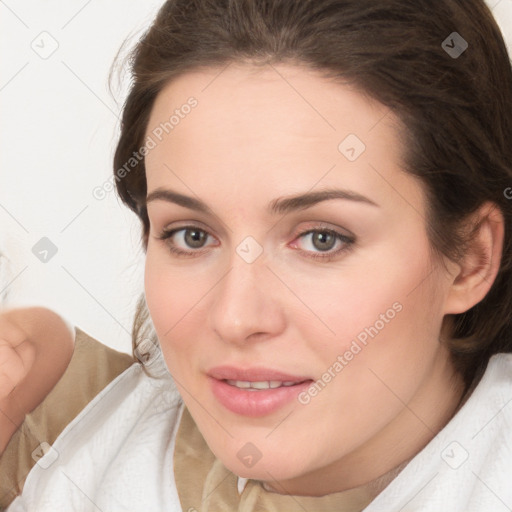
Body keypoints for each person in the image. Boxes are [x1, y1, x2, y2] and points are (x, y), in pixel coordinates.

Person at [4, 0, 512, 510]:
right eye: (192, 236)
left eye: (321, 239)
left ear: (471, 259)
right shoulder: (62, 447)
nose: (235, 317)